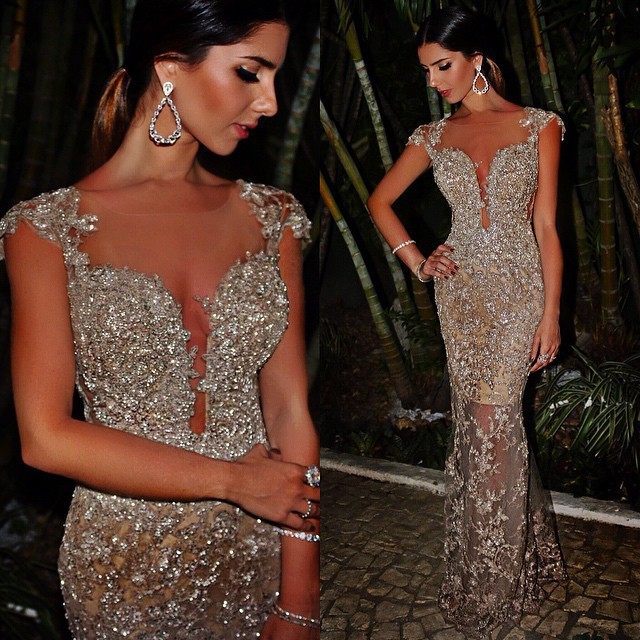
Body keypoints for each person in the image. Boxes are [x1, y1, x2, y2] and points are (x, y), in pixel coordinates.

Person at [0, 1, 320, 638]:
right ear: (171, 66)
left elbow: (289, 410)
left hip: (258, 548)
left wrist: (300, 598)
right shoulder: (45, 229)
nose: (270, 103)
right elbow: (45, 438)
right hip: (123, 566)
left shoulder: (273, 218)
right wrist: (232, 482)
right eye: (250, 72)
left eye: (275, 78)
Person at [367, 6, 566, 638]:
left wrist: (551, 312)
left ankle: (492, 581)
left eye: (442, 66)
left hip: (519, 291)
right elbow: (379, 201)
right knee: (485, 426)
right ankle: (526, 561)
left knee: (492, 420)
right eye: (426, 70)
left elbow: (546, 227)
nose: (433, 80)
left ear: (477, 59)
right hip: (461, 295)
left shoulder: (539, 126)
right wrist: (418, 260)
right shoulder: (432, 136)